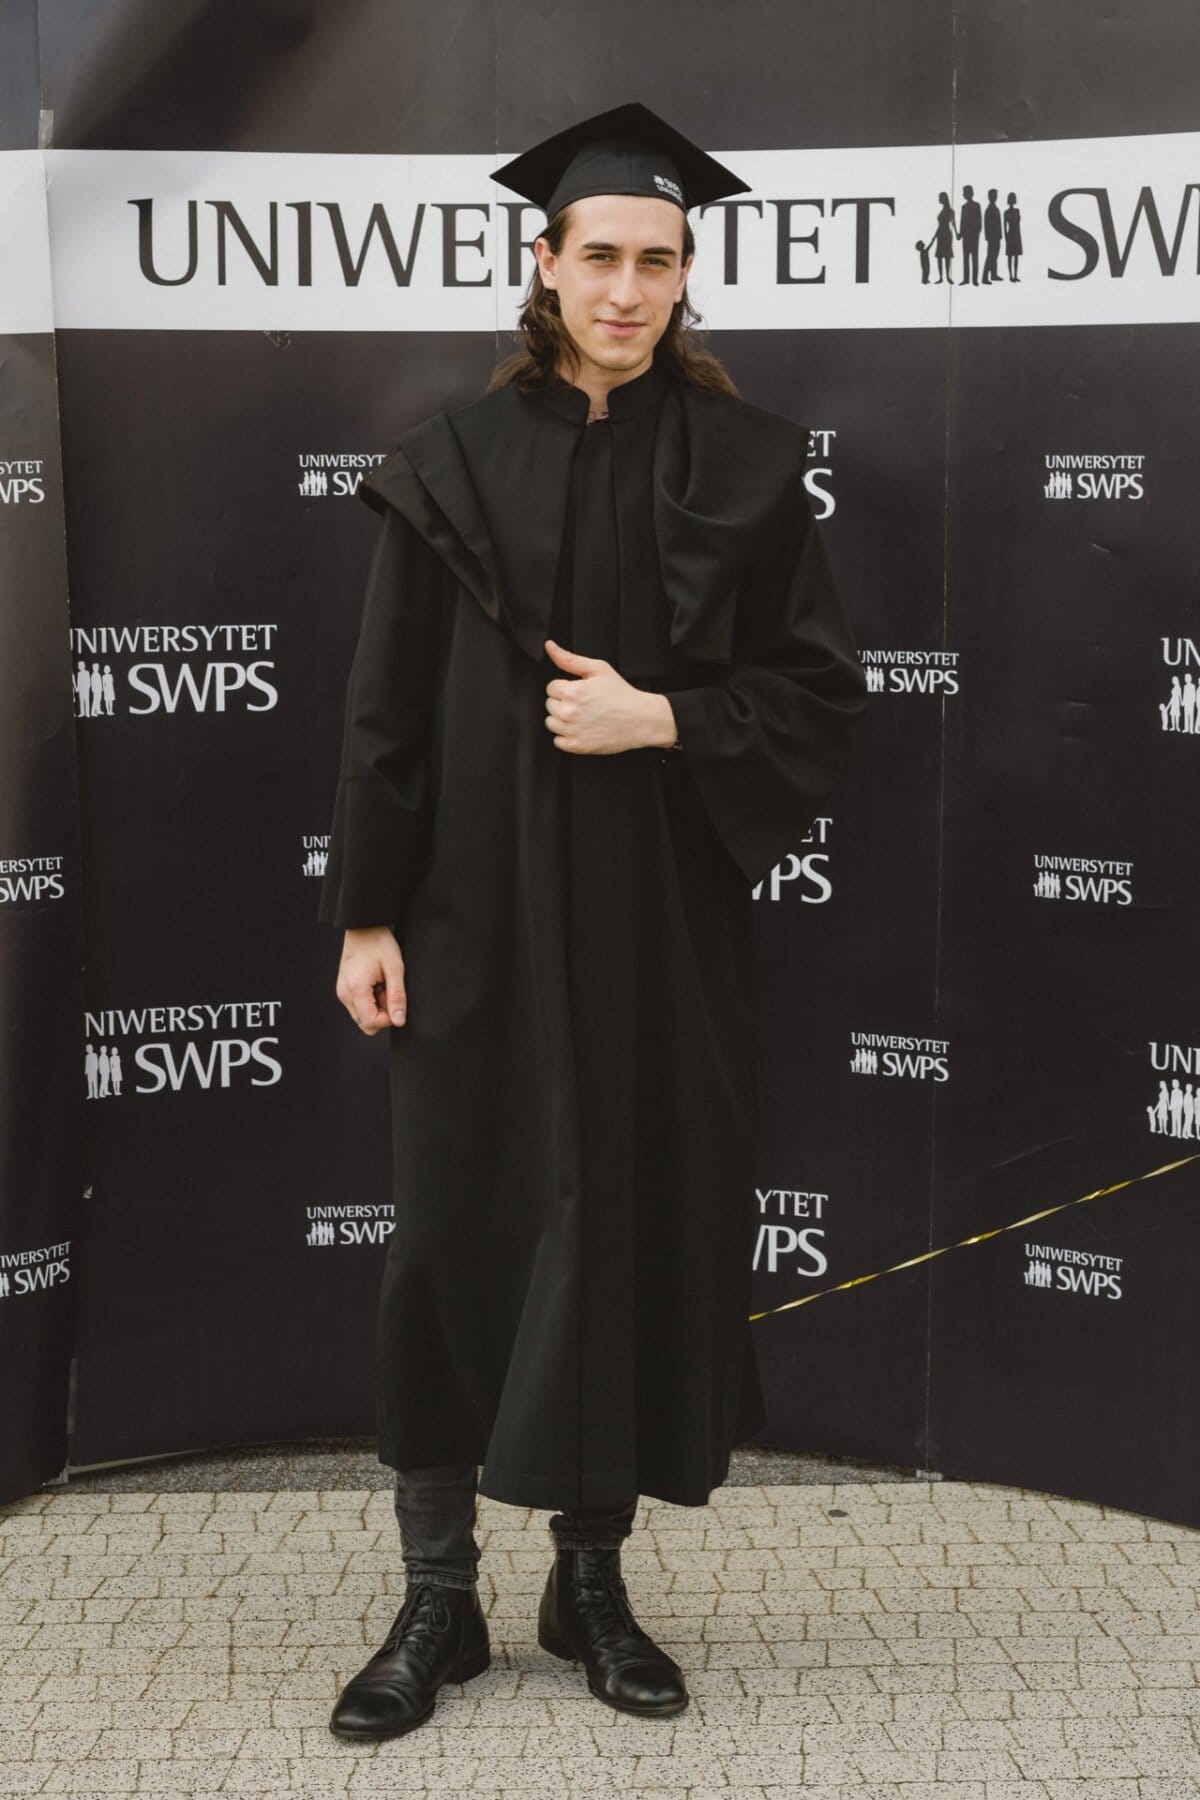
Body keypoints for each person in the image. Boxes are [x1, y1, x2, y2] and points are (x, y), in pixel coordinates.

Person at [318, 100, 869, 1742]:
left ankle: (593, 1581)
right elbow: (382, 716)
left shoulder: (752, 474)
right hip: (469, 922)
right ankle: (437, 1596)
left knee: (628, 1230)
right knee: (450, 1240)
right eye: (601, 257)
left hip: (656, 932)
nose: (629, 288)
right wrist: (364, 916)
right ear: (542, 266)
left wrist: (670, 723)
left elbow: (821, 700)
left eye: (661, 261)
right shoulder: (450, 467)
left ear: (687, 278)